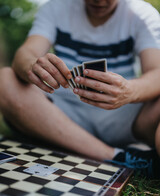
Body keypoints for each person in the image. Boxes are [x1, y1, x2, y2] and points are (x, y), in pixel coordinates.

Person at [0, 0, 160, 178]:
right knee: (4, 79)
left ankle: (72, 144)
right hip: (60, 113)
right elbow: (25, 54)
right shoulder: (55, 7)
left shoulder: (142, 14)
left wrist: (129, 91)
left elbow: (157, 73)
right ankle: (118, 157)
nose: (99, 1)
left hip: (124, 114)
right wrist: (33, 66)